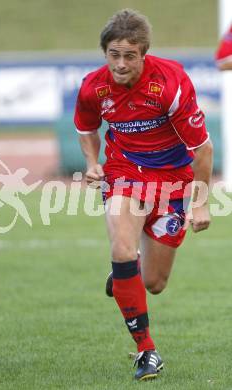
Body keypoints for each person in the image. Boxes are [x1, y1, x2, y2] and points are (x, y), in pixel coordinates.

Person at [74, 9, 213, 381]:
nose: (120, 64)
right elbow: (86, 128)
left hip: (172, 180)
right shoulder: (92, 87)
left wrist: (199, 202)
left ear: (144, 53)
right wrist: (91, 162)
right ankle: (146, 351)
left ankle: (126, 272)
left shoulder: (170, 83)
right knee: (121, 249)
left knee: (154, 283)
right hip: (123, 173)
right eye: (113, 55)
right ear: (105, 53)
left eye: (129, 56)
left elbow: (203, 150)